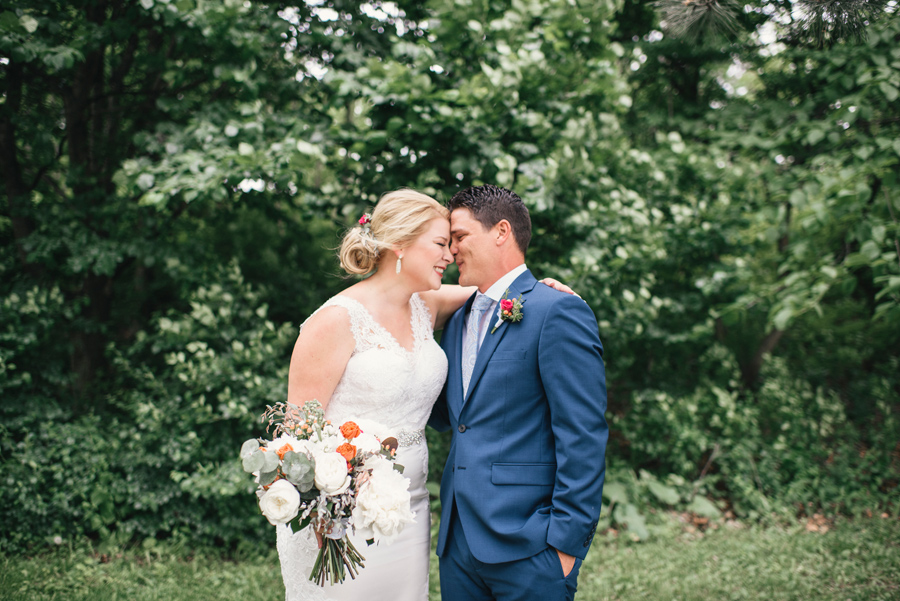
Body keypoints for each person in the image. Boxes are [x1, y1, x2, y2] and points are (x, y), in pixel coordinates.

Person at [277, 188, 574, 601]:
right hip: (341, 511)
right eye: (440, 243)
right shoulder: (333, 321)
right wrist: (328, 499)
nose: (450, 254)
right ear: (399, 244)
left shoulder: (427, 305)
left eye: (453, 243)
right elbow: (295, 435)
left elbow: (499, 294)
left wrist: (545, 292)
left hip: (412, 508)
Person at [429, 184, 609, 601]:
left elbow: (582, 434)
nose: (451, 250)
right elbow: (446, 414)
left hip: (531, 547)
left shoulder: (556, 310)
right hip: (458, 546)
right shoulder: (455, 320)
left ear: (501, 231)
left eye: (459, 236)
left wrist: (565, 546)